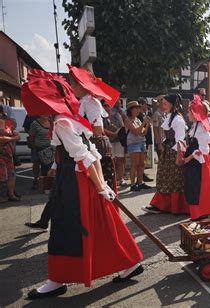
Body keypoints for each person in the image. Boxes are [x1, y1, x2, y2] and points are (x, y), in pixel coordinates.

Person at [22, 69, 143, 299]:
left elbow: (86, 155)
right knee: (102, 223)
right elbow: (90, 153)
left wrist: (100, 186)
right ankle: (130, 262)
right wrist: (101, 185)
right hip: (79, 179)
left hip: (76, 183)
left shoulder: (62, 122)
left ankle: (57, 280)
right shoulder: (71, 118)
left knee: (65, 228)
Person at [68, 65, 120, 192]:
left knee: (98, 186)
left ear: (79, 85)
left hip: (94, 146)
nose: (71, 87)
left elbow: (97, 130)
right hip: (90, 145)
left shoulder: (89, 101)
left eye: (72, 84)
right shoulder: (84, 101)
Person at [144, 93, 188, 215]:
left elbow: (180, 139)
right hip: (168, 149)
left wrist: (179, 155)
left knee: (174, 180)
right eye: (162, 103)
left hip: (174, 150)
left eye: (165, 103)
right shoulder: (169, 116)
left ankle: (172, 207)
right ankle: (160, 205)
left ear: (172, 104)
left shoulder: (178, 119)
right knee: (164, 178)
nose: (163, 105)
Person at [182, 95, 210, 220]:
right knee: (193, 186)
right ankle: (196, 213)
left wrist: (189, 158)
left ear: (195, 113)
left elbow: (204, 149)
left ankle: (200, 213)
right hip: (194, 162)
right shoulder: (195, 126)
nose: (187, 114)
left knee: (198, 187)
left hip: (199, 163)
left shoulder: (202, 128)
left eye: (189, 111)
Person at [125, 101, 152, 191]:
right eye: (135, 108)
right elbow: (136, 132)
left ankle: (140, 182)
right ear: (130, 110)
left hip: (141, 142)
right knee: (135, 164)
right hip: (133, 143)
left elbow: (143, 133)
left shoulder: (137, 120)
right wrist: (144, 123)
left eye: (138, 108)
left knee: (141, 164)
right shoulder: (128, 120)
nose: (138, 110)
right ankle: (133, 184)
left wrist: (147, 125)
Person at [103, 102, 127, 187]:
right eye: (105, 105)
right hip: (108, 141)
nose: (107, 107)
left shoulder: (117, 115)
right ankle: (113, 179)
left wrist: (116, 133)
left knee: (120, 159)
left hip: (118, 140)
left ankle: (121, 179)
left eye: (108, 105)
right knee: (111, 160)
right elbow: (102, 129)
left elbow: (122, 125)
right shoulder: (101, 117)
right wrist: (112, 134)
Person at [0, 107, 20, 201]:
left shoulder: (8, 123)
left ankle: (11, 195)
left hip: (8, 153)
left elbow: (18, 136)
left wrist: (9, 139)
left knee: (10, 174)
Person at [29, 116, 54, 186]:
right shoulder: (35, 123)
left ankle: (45, 184)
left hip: (48, 148)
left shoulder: (51, 122)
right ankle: (36, 180)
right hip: (37, 148)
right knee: (36, 164)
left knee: (47, 167)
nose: (45, 115)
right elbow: (31, 137)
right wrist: (34, 148)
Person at [137, 97, 154, 182]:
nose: (147, 107)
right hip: (142, 139)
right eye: (146, 105)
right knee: (141, 161)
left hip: (146, 139)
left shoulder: (143, 114)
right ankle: (140, 176)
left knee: (143, 160)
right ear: (141, 104)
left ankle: (142, 175)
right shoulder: (139, 115)